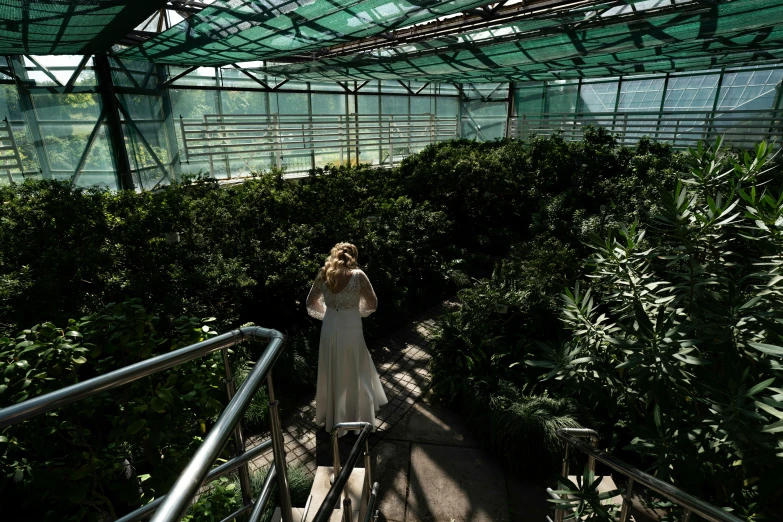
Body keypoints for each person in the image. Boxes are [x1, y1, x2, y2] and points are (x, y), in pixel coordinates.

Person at [306, 242, 388, 436]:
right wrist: (353, 312)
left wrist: (330, 313)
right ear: (353, 256)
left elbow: (311, 302)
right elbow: (372, 303)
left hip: (329, 326)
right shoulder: (358, 276)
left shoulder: (324, 273)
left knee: (332, 368)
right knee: (354, 368)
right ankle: (356, 417)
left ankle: (332, 416)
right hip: (350, 326)